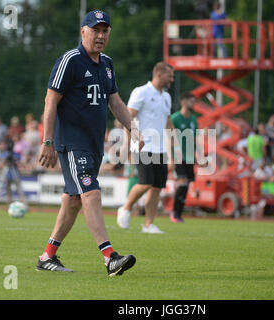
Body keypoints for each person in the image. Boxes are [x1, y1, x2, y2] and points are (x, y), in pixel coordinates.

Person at [36, 10, 143, 275]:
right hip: (72, 142)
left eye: (105, 31)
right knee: (91, 193)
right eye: (95, 30)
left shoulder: (107, 63)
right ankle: (110, 257)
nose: (101, 35)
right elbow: (50, 101)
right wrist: (47, 141)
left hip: (94, 144)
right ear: (83, 31)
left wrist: (133, 128)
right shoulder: (70, 60)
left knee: (73, 201)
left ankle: (47, 257)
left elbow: (115, 101)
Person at [117, 61, 175, 234]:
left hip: (160, 149)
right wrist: (128, 144)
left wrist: (172, 153)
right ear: (159, 74)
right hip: (142, 147)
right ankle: (126, 208)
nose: (172, 79)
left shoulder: (166, 97)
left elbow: (168, 124)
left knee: (157, 187)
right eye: (169, 76)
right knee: (145, 183)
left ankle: (149, 225)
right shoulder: (141, 92)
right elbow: (127, 117)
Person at [170, 92, 198, 223]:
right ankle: (174, 213)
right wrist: (171, 157)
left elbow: (194, 139)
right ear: (183, 102)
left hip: (190, 157)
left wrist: (196, 155)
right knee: (182, 182)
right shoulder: (175, 118)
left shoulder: (193, 120)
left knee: (187, 185)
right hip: (178, 155)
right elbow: (168, 136)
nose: (193, 104)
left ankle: (179, 214)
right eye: (191, 101)